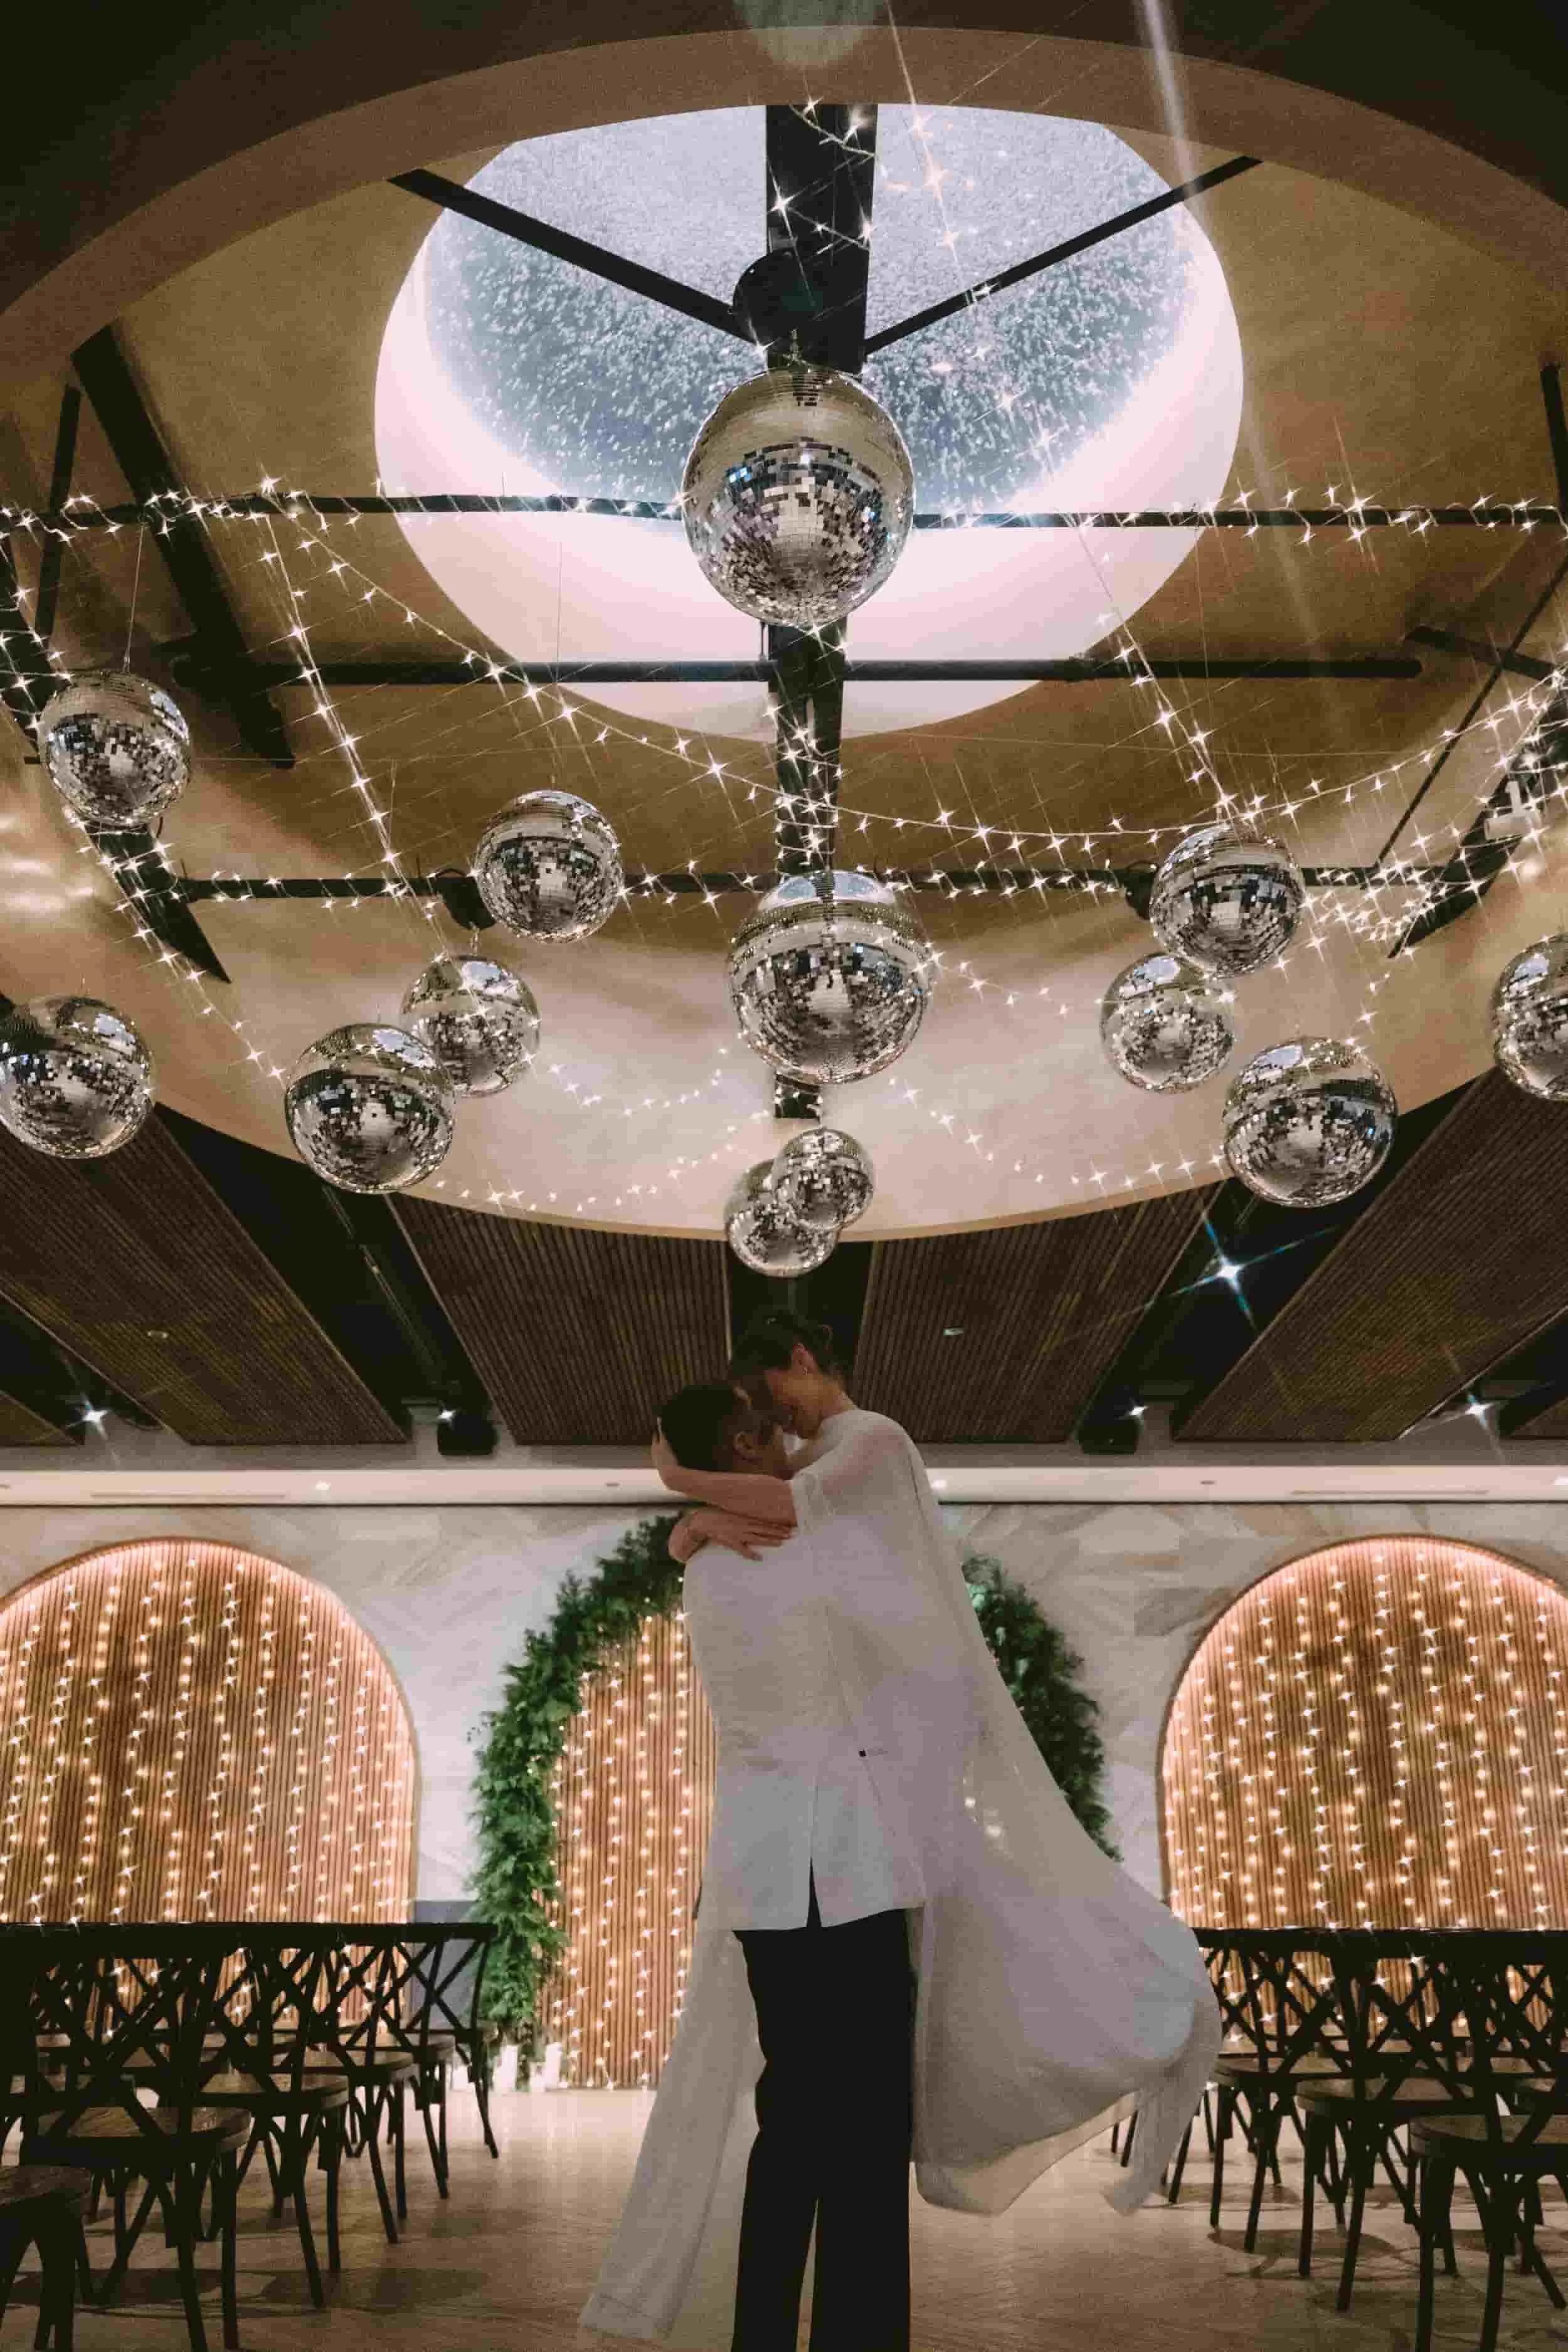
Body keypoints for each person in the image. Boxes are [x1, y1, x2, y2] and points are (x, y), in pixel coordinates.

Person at [581, 1310, 1221, 2349]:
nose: (780, 1431)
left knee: (791, 2127)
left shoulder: (715, 1564)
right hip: (858, 1864)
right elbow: (883, 1614)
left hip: (761, 1876)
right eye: (759, 1426)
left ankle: (760, 2335)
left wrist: (684, 1508)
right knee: (868, 2134)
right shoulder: (817, 1550)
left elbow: (789, 1519)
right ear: (742, 1448)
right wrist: (688, 1501)